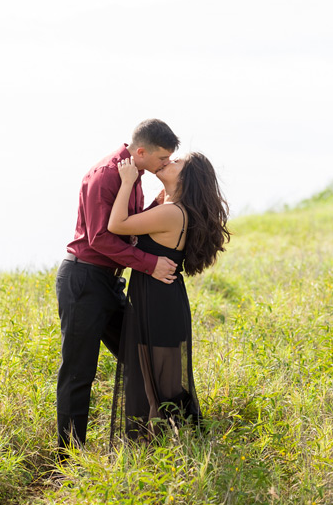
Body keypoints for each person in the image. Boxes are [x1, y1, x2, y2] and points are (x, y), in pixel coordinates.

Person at [55, 118, 180, 455]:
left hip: (110, 284)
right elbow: (100, 239)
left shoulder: (133, 175)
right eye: (163, 159)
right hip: (84, 280)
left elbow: (129, 228)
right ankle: (69, 457)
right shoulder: (106, 175)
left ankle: (147, 440)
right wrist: (150, 264)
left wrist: (158, 204)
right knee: (79, 370)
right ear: (142, 151)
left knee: (141, 355)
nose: (165, 164)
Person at [107, 152, 229, 440]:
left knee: (161, 386)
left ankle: (173, 449)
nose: (168, 162)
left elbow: (117, 225)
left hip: (159, 303)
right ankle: (172, 446)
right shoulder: (172, 207)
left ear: (187, 178)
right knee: (158, 381)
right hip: (162, 299)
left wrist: (127, 182)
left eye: (177, 163)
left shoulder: (173, 213)